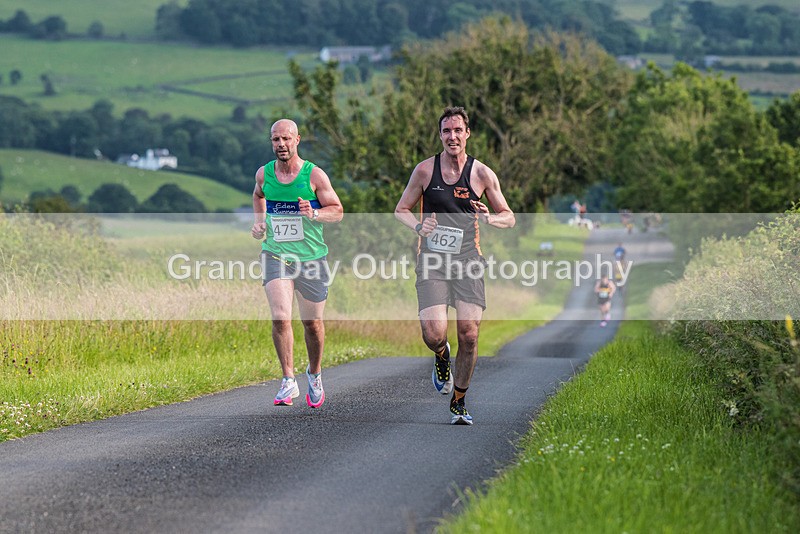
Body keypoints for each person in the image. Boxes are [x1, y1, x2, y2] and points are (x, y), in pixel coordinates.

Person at [395, 106, 515, 425]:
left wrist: (489, 217)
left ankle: (458, 401)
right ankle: (441, 355)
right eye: (446, 131)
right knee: (434, 334)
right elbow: (401, 209)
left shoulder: (481, 174)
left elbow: (510, 217)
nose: (452, 137)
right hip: (433, 260)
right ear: (440, 135)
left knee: (470, 334)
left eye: (458, 130)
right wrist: (419, 228)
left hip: (468, 260)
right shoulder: (425, 171)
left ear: (467, 133)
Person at [251, 119, 343, 407]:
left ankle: (314, 374)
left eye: (286, 139)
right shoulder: (264, 174)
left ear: (297, 140)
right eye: (276, 139)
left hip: (311, 257)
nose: (281, 144)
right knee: (281, 315)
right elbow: (258, 196)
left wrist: (313, 214)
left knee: (312, 323)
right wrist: (259, 223)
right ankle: (288, 379)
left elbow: (337, 211)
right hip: (276, 254)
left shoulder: (313, 175)